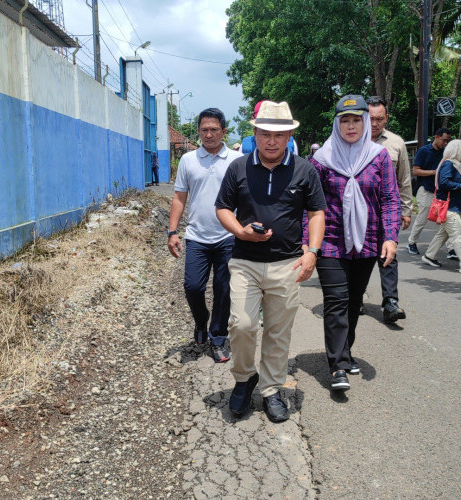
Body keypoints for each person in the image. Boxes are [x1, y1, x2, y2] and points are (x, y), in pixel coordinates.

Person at [215, 100, 326, 422]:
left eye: (279, 134)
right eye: (265, 134)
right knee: (242, 325)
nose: (272, 141)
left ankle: (271, 389)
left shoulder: (305, 169)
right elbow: (223, 206)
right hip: (245, 261)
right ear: (256, 133)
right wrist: (240, 231)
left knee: (278, 332)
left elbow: (317, 212)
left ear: (290, 134)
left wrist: (312, 253)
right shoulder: (238, 167)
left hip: (287, 263)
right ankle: (244, 377)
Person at [307, 94, 400, 391]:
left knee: (354, 302)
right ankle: (337, 367)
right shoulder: (321, 159)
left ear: (365, 122)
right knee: (336, 301)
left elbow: (390, 199)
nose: (350, 126)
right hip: (330, 240)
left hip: (367, 241)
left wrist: (391, 237)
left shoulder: (379, 156)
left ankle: (345, 351)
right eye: (344, 120)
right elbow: (309, 204)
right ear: (336, 123)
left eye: (356, 120)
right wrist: (306, 243)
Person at [167, 108, 243, 363]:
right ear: (198, 132)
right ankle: (201, 321)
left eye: (214, 129)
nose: (209, 134)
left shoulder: (237, 159)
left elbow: (245, 197)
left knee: (224, 290)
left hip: (228, 236)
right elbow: (179, 197)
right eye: (204, 130)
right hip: (197, 236)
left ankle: (218, 338)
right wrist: (172, 231)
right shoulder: (188, 160)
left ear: (223, 131)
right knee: (193, 286)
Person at [366, 95, 412, 323]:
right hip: (359, 211)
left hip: (387, 209)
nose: (374, 124)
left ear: (386, 119)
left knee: (388, 254)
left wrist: (406, 209)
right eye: (370, 118)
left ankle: (390, 302)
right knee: (358, 256)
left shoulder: (396, 143)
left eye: (379, 119)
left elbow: (404, 178)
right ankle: (354, 299)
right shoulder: (352, 140)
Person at [420, 139, 461, 275]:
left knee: (443, 234)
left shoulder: (451, 164)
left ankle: (429, 256)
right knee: (459, 235)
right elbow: (444, 183)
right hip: (448, 208)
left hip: (449, 207)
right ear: (458, 150)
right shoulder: (449, 164)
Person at [407, 127, 452, 256]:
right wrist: (434, 172)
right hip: (425, 188)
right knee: (422, 217)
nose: (445, 143)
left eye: (447, 141)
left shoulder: (446, 152)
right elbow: (415, 171)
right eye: (444, 140)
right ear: (436, 137)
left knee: (445, 218)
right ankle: (412, 242)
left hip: (441, 190)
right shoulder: (424, 151)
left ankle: (451, 247)